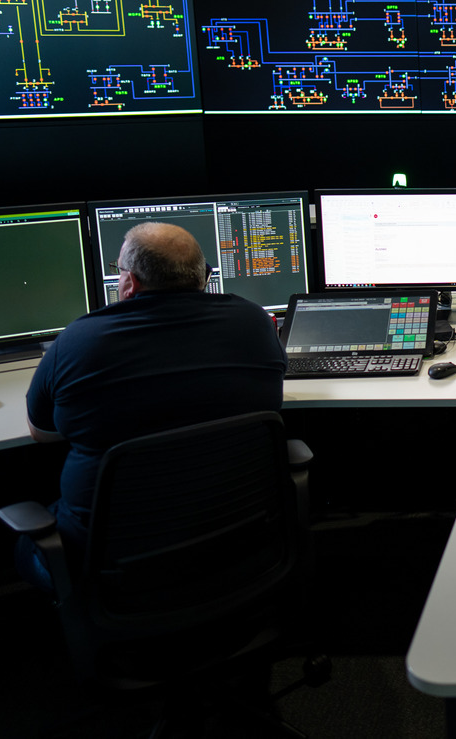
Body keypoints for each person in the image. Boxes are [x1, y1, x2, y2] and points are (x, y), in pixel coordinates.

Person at [19, 221, 286, 592]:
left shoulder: (80, 340)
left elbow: (42, 432)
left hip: (119, 569)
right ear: (204, 277)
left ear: (129, 283)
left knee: (24, 538)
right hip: (237, 542)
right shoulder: (255, 322)